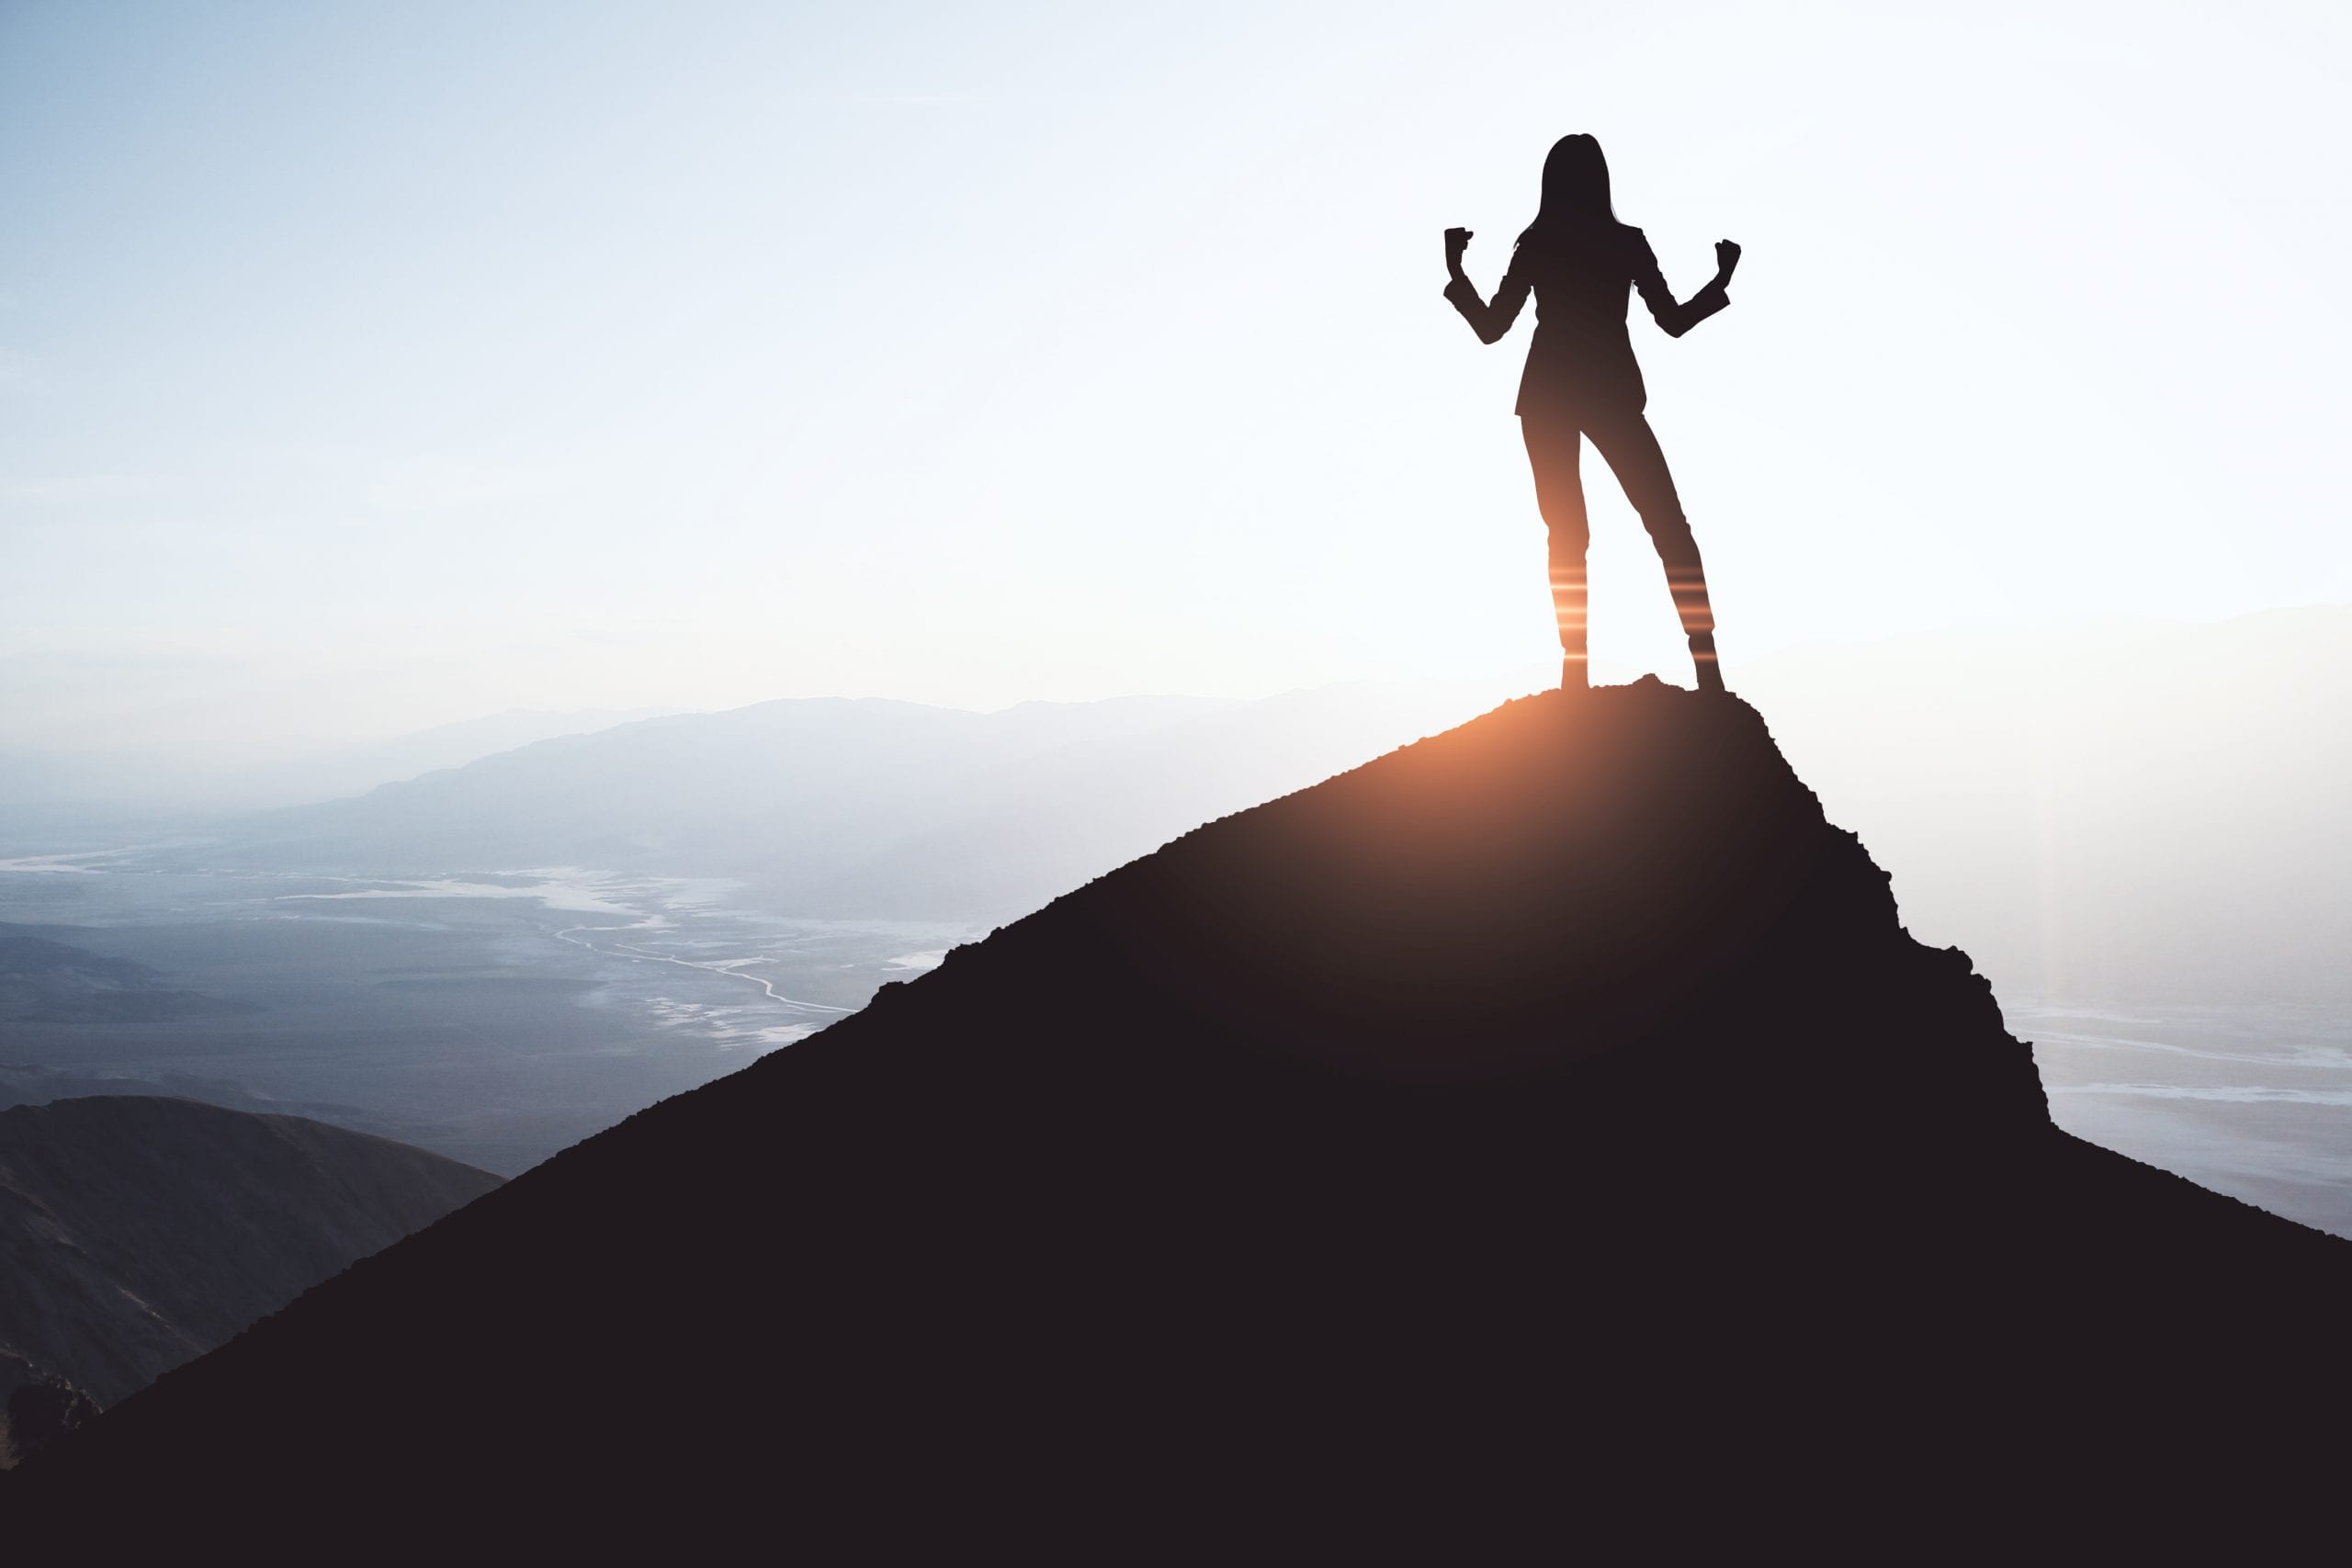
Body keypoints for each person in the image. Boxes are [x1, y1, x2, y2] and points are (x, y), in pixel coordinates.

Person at [1444, 132, 1740, 692]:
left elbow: (1491, 329)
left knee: (1568, 532)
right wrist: (1720, 282)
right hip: (1607, 393)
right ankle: (1708, 667)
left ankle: (1574, 671)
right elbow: (1672, 321)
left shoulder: (1537, 243)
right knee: (1668, 525)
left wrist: (1458, 273)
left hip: (1548, 398)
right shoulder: (1625, 242)